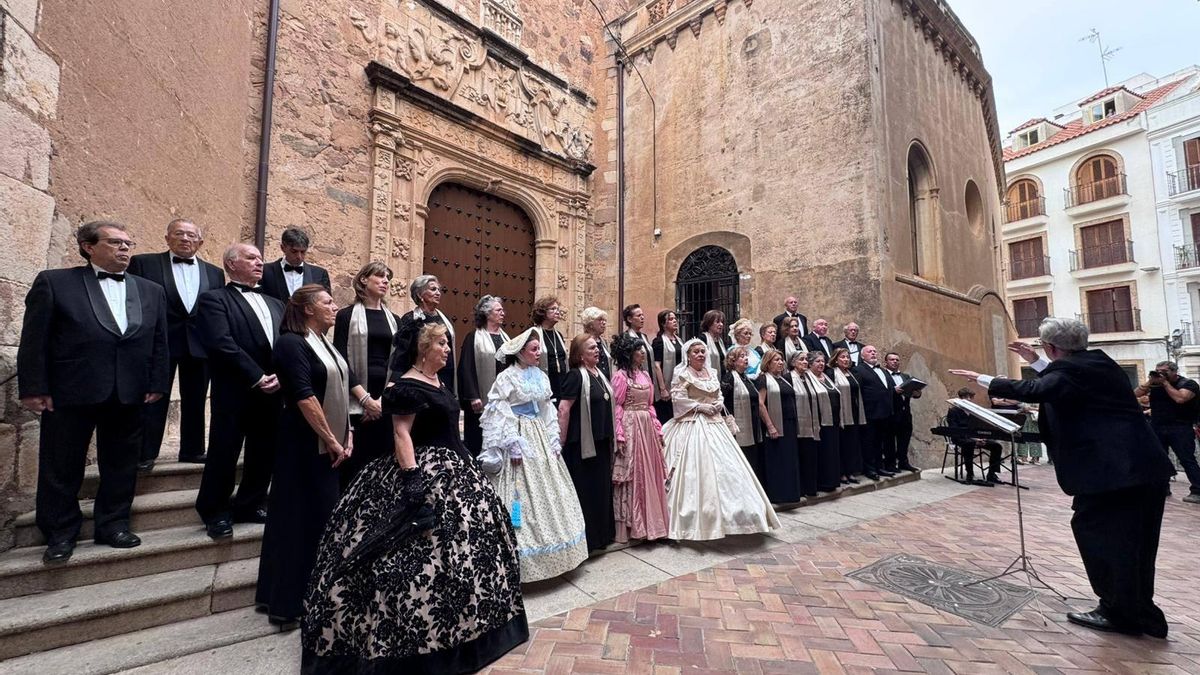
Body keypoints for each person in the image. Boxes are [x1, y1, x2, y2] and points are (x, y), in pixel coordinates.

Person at [302, 321, 528, 672]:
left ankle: (473, 633)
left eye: (448, 343)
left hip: (457, 468)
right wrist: (412, 481)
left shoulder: (439, 381)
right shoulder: (406, 385)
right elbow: (402, 434)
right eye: (441, 343)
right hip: (420, 469)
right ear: (424, 349)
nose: (447, 349)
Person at [951, 318, 1175, 638]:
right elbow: (1063, 379)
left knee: (1102, 537)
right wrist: (1038, 360)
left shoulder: (1072, 372)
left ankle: (1119, 611)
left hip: (1114, 474)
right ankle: (1141, 612)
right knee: (1136, 545)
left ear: (1053, 347)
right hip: (1140, 471)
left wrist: (984, 379)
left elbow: (1037, 389)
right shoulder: (1099, 362)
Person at [18, 221, 170, 563]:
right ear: (88, 247)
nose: (125, 249)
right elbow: (34, 340)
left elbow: (159, 342)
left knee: (122, 463)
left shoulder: (150, 290)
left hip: (130, 392)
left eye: (128, 244)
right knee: (62, 464)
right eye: (115, 243)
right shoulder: (55, 283)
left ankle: (113, 524)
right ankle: (59, 532)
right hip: (70, 391)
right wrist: (33, 388)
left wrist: (157, 383)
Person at [257, 285, 371, 626]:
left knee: (322, 520)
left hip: (330, 446)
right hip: (303, 446)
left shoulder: (325, 343)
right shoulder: (292, 343)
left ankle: (314, 592)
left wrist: (347, 433)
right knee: (297, 522)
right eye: (327, 302)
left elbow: (339, 388)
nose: (334, 307)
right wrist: (332, 440)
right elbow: (305, 397)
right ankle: (286, 603)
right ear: (307, 309)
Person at [481, 328, 588, 581]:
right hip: (518, 434)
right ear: (520, 353)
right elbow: (497, 410)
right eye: (534, 349)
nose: (539, 353)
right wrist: (511, 442)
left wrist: (553, 439)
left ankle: (555, 555)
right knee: (518, 493)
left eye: (539, 348)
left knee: (550, 492)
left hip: (538, 435)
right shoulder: (507, 378)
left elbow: (547, 409)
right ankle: (517, 554)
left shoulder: (541, 376)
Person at [194, 243, 285, 540]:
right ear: (231, 264)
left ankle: (250, 503)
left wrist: (283, 376)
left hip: (273, 391)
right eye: (251, 258)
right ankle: (215, 511)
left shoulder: (275, 303)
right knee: (225, 451)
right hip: (236, 389)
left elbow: (286, 343)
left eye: (260, 258)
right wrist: (257, 376)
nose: (260, 263)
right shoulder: (213, 300)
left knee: (264, 451)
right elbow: (221, 343)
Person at [127, 218, 224, 469]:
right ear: (167, 238)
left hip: (199, 343)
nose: (185, 239)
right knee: (154, 397)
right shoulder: (143, 263)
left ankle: (192, 449)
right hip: (159, 342)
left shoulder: (214, 272)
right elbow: (134, 301)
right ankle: (145, 453)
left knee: (197, 397)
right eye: (179, 234)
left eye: (191, 236)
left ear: (200, 242)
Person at [661, 339, 779, 540]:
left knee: (731, 469)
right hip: (692, 424)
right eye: (696, 352)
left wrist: (716, 404)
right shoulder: (682, 374)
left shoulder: (712, 373)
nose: (700, 355)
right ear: (688, 355)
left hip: (715, 424)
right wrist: (698, 406)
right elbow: (678, 399)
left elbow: (720, 395)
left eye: (702, 351)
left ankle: (739, 518)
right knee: (696, 472)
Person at [331, 262, 397, 488]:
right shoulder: (346, 316)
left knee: (383, 459)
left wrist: (381, 401)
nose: (385, 281)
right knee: (356, 461)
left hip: (385, 401)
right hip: (355, 398)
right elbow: (340, 359)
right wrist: (365, 399)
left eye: (388, 277)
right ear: (363, 280)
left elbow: (399, 360)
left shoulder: (394, 319)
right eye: (379, 276)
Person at [557, 335, 617, 552]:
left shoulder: (599, 373)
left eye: (597, 347)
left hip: (600, 442)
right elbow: (564, 409)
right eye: (592, 347)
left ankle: (602, 536)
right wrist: (560, 441)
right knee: (586, 491)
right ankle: (588, 540)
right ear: (580, 355)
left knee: (600, 490)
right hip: (580, 445)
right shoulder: (575, 376)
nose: (597, 350)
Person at [610, 335, 671, 543]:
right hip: (630, 425)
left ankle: (653, 523)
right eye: (639, 350)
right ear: (629, 354)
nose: (643, 353)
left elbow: (651, 404)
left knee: (650, 472)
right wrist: (619, 433)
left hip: (646, 425)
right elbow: (617, 406)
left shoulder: (645, 374)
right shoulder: (619, 376)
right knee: (634, 472)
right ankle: (633, 525)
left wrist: (657, 427)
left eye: (643, 350)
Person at [1134, 361, 1200, 504]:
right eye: (1158, 371)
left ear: (1174, 372)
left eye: (1164, 371)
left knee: (1187, 459)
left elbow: (1180, 398)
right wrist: (1150, 381)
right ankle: (1162, 488)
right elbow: (1135, 394)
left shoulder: (1188, 384)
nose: (1160, 374)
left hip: (1180, 428)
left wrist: (1165, 383)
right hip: (1157, 427)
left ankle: (1198, 490)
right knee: (1159, 459)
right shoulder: (1154, 385)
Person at [456, 295, 510, 456]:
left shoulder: (505, 338)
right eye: (498, 310)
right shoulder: (474, 337)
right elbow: (466, 368)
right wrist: (473, 396)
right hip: (480, 400)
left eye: (502, 310)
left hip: (502, 399)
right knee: (477, 440)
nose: (503, 313)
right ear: (487, 314)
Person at [395, 275, 456, 395]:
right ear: (419, 295)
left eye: (439, 290)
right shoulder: (410, 320)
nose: (438, 293)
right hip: (419, 377)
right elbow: (403, 353)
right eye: (433, 289)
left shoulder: (445, 319)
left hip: (445, 375)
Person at [756, 350, 803, 504]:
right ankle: (778, 495)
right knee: (778, 460)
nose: (781, 362)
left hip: (789, 424)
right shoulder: (764, 379)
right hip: (776, 424)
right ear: (768, 363)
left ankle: (791, 493)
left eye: (782, 359)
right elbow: (761, 404)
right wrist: (770, 426)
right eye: (776, 359)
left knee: (789, 460)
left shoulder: (783, 379)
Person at [721, 346, 765, 482]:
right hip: (737, 427)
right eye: (742, 356)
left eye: (746, 356)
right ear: (733, 361)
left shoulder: (746, 378)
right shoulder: (729, 378)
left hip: (752, 425)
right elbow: (721, 402)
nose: (746, 358)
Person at [853, 345, 896, 479]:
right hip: (869, 412)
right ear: (862, 356)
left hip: (885, 413)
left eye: (874, 351)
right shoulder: (858, 370)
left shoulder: (882, 370)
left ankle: (879, 467)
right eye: (869, 351)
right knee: (868, 442)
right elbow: (858, 392)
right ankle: (869, 469)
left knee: (880, 442)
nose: (873, 353)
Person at [945, 388, 1002, 484]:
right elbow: (955, 430)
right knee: (969, 444)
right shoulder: (953, 411)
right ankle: (970, 474)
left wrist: (982, 437)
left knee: (997, 446)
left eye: (970, 397)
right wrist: (973, 439)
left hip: (976, 438)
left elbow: (979, 427)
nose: (968, 399)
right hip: (960, 438)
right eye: (965, 397)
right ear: (960, 398)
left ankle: (991, 474)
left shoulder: (973, 412)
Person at [258, 227, 331, 302]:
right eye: (294, 251)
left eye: (303, 252)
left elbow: (327, 303)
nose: (299, 257)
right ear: (283, 248)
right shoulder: (265, 271)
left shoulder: (320, 274)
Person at [805, 352, 842, 493]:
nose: (821, 364)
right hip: (819, 421)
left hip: (833, 420)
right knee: (823, 452)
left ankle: (832, 481)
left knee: (832, 451)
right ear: (810, 364)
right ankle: (823, 482)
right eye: (817, 362)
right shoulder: (808, 378)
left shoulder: (825, 376)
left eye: (823, 361)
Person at [830, 348, 869, 482]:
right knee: (842, 443)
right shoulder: (831, 373)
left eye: (847, 357)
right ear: (835, 359)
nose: (846, 360)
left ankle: (850, 471)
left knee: (852, 443)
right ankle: (841, 472)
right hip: (841, 413)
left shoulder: (852, 373)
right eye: (842, 357)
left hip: (854, 412)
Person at [789, 351, 821, 498]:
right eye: (801, 359)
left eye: (806, 360)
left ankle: (811, 487)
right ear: (793, 362)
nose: (805, 362)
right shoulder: (789, 377)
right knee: (801, 456)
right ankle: (801, 488)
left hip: (812, 422)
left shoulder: (809, 377)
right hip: (798, 424)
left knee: (811, 456)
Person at [884, 351, 921, 472]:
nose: (895, 362)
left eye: (897, 360)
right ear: (886, 362)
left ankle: (903, 462)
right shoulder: (883, 376)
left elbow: (916, 392)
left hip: (906, 413)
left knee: (904, 439)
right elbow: (881, 392)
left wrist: (917, 393)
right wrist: (894, 391)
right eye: (892, 360)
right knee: (889, 440)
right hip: (891, 412)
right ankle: (890, 464)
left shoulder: (906, 376)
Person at [529, 296, 569, 402]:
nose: (557, 312)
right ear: (543, 313)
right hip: (542, 384)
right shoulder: (533, 333)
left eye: (558, 309)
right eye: (553, 309)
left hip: (561, 385)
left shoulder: (559, 335)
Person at [651, 309, 683, 424]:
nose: (675, 321)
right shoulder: (659, 341)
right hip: (667, 387)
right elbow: (656, 365)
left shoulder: (679, 340)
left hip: (680, 386)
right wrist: (663, 389)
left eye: (675, 318)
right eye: (670, 319)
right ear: (663, 324)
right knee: (667, 420)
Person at [620, 303, 658, 401]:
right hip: (634, 382)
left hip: (648, 378)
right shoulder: (626, 338)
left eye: (642, 315)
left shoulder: (644, 336)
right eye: (638, 316)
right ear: (629, 319)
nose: (642, 318)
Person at [580, 306, 612, 378]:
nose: (604, 323)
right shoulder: (582, 341)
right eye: (600, 320)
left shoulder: (603, 342)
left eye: (604, 320)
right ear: (590, 324)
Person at [700, 310, 730, 380]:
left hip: (722, 378)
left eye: (722, 322)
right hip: (708, 379)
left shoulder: (720, 341)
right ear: (709, 323)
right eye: (717, 322)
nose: (721, 324)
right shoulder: (703, 338)